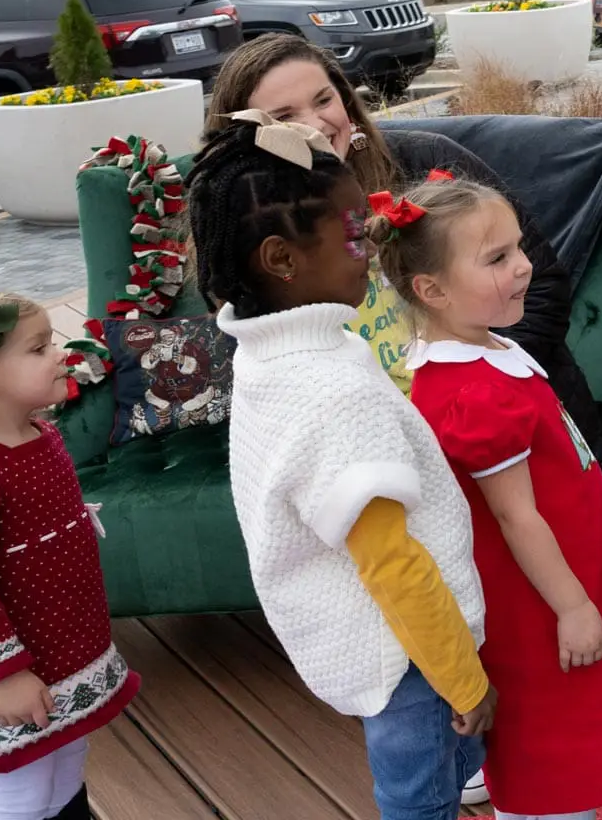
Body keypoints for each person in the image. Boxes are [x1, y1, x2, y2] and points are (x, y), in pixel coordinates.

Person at [191, 112, 496, 820]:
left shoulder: (275, 357)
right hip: (412, 661)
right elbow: (390, 563)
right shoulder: (331, 390)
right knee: (419, 801)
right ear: (281, 258)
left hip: (377, 649)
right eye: (356, 235)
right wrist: (465, 680)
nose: (371, 247)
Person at [369, 175, 602, 820]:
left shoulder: (485, 346)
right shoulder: (474, 393)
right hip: (539, 601)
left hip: (566, 571)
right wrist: (573, 607)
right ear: (432, 290)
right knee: (551, 747)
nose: (523, 266)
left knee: (580, 724)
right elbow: (515, 515)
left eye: (517, 248)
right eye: (497, 259)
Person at [203, 34, 602, 461]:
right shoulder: (246, 234)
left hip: (501, 424)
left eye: (324, 100)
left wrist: (474, 401)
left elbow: (541, 283)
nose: (317, 124)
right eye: (284, 116)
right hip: (374, 450)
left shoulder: (425, 163)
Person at [0, 290, 140, 820]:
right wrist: (7, 675)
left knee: (68, 761)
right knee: (23, 793)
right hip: (14, 673)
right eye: (38, 347)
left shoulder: (41, 435)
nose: (59, 353)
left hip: (61, 650)